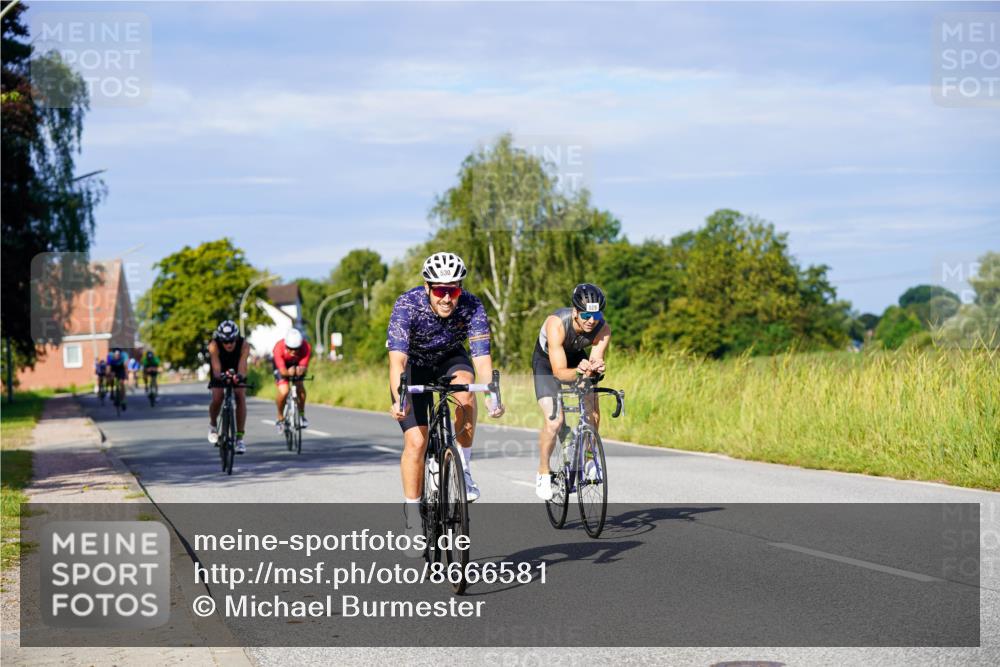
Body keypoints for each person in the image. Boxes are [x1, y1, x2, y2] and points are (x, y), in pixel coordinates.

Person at [387, 252, 504, 532]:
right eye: (440, 291)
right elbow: (397, 361)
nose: (447, 298)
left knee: (465, 393)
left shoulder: (472, 306)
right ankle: (413, 516)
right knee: (417, 442)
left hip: (450, 359)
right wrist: (399, 399)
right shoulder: (407, 305)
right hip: (414, 365)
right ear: (427, 287)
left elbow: (481, 358)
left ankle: (464, 467)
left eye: (454, 291)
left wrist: (492, 396)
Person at [531, 283, 612, 500]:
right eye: (585, 315)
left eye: (596, 315)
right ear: (575, 311)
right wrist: (578, 372)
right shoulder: (556, 323)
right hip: (547, 364)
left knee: (592, 410)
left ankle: (588, 458)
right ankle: (543, 472)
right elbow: (559, 372)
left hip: (576, 356)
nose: (591, 320)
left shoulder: (603, 329)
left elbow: (595, 359)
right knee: (555, 421)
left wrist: (594, 368)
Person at [207, 320, 250, 454]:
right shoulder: (213, 345)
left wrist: (239, 376)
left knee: (240, 396)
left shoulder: (244, 344)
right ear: (220, 340)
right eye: (225, 342)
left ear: (236, 338)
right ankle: (213, 424)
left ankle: (240, 439)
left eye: (232, 341)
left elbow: (243, 365)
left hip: (237, 369)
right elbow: (216, 368)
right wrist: (221, 376)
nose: (229, 344)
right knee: (217, 398)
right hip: (219, 370)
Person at [273, 328, 312, 431]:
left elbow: (303, 367)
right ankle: (280, 416)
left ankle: (301, 415)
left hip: (296, 365)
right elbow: (282, 371)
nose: (293, 351)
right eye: (290, 348)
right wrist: (288, 373)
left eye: (296, 349)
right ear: (286, 345)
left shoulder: (306, 347)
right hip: (282, 366)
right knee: (284, 391)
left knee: (300, 386)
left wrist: (300, 371)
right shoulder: (278, 348)